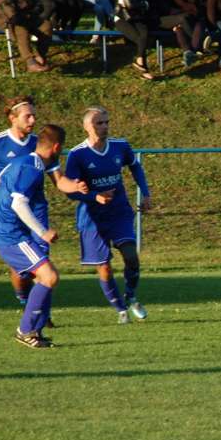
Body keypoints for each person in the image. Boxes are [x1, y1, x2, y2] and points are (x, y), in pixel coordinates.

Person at [0, 97, 85, 313]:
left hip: (36, 213)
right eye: (28, 115)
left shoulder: (39, 144)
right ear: (12, 118)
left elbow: (59, 181)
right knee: (22, 272)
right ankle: (25, 300)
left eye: (34, 115)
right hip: (9, 218)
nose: (33, 119)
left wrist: (76, 186)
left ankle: (40, 314)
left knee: (42, 265)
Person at [0, 124, 70, 348]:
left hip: (6, 230)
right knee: (49, 277)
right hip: (10, 234)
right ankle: (25, 331)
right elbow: (18, 203)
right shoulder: (32, 167)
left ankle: (35, 331)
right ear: (57, 147)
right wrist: (43, 231)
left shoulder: (25, 163)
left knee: (42, 277)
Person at [65, 107, 152, 324]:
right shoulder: (77, 155)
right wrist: (94, 196)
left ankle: (131, 295)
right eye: (98, 123)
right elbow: (71, 193)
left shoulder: (120, 146)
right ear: (86, 127)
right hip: (92, 218)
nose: (104, 127)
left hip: (119, 211)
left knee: (131, 256)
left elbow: (135, 167)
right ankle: (120, 309)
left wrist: (146, 193)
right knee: (104, 266)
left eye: (106, 122)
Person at [114, 0, 154, 80]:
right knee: (139, 39)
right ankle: (144, 68)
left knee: (144, 35)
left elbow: (143, 6)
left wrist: (142, 5)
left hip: (136, 18)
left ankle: (140, 63)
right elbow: (129, 5)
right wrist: (142, 4)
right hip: (123, 18)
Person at [170, 0, 207, 65]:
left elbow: (202, 5)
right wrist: (191, 7)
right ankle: (193, 51)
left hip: (196, 18)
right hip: (181, 19)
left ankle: (190, 54)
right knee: (178, 28)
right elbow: (173, 8)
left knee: (199, 25)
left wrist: (191, 9)